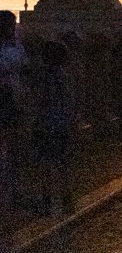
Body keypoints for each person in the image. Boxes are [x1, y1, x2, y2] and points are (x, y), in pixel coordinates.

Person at [33, 40, 77, 215]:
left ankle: (47, 198)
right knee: (63, 162)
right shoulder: (66, 76)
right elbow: (71, 100)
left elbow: (38, 100)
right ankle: (66, 196)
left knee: (46, 162)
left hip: (46, 123)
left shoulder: (44, 77)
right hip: (62, 123)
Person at [0, 10, 32, 209]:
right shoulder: (13, 48)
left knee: (14, 148)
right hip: (6, 98)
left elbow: (24, 66)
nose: (13, 29)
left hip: (13, 99)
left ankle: (14, 192)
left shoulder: (16, 46)